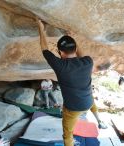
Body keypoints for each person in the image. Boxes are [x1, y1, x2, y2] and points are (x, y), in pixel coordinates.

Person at [36, 18, 107, 146]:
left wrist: (41, 28)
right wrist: (71, 38)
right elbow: (81, 55)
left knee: (67, 133)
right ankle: (99, 120)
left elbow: (44, 50)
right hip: (88, 102)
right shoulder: (88, 61)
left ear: (60, 52)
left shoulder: (60, 66)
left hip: (73, 108)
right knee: (90, 99)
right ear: (75, 48)